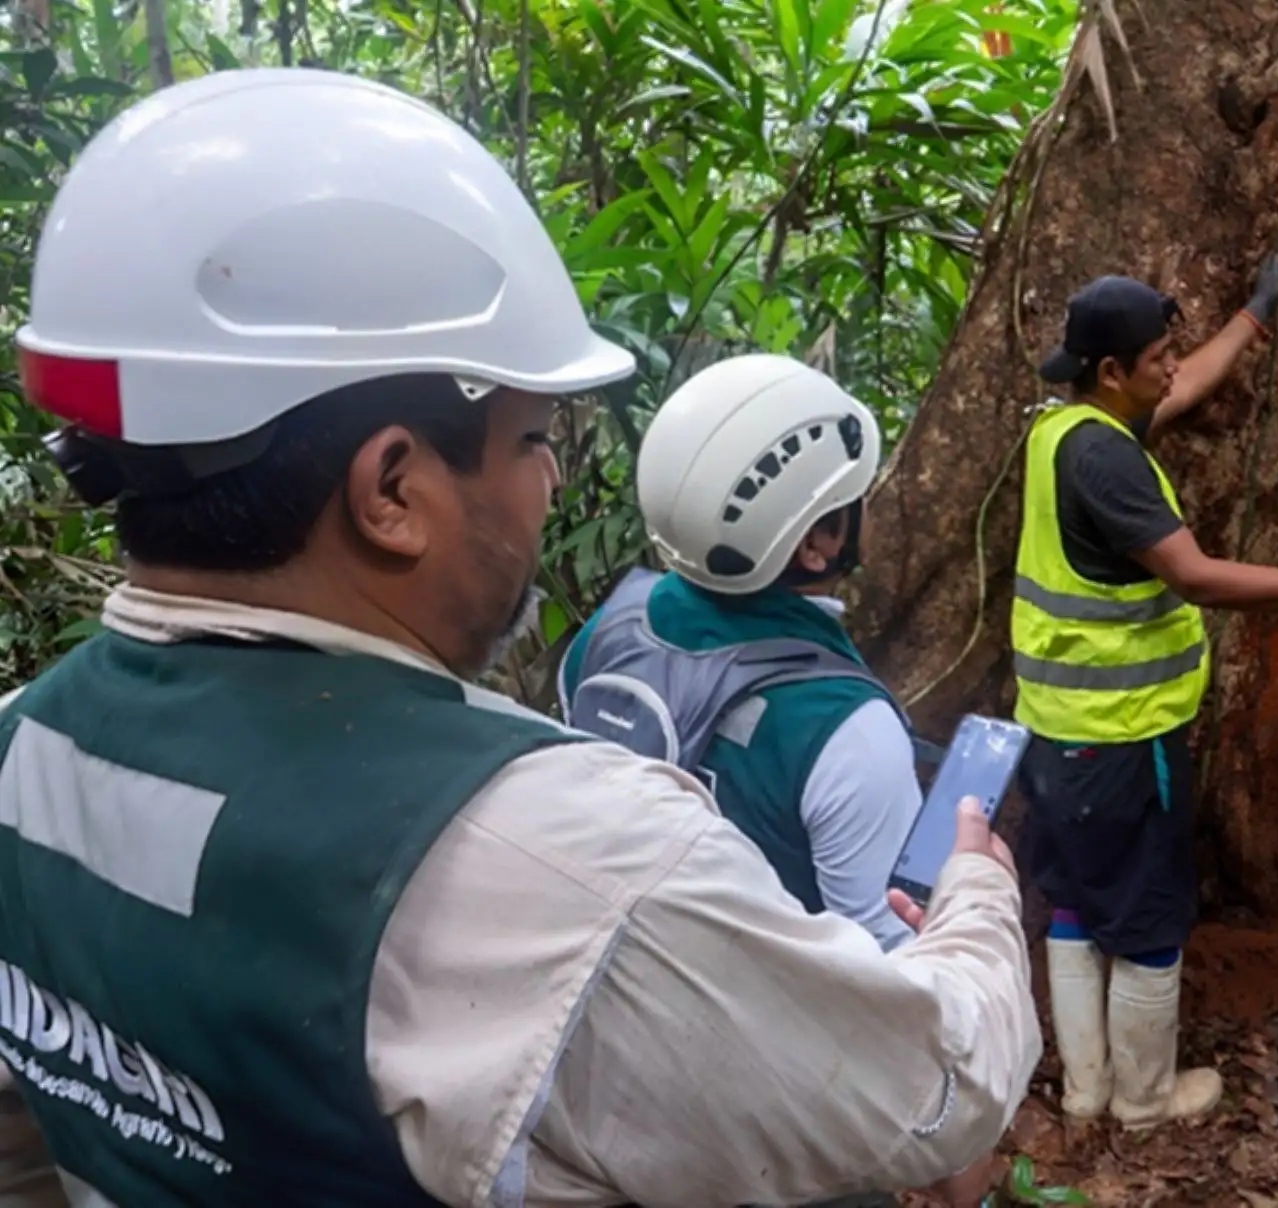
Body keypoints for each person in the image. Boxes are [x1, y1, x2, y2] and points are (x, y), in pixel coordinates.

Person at [0, 67, 1039, 1208]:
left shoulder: (21, 748)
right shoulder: (566, 865)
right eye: (535, 437)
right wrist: (976, 897)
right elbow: (935, 1087)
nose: (551, 482)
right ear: (392, 487)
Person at [1014, 268, 1278, 1133]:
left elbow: (1188, 385)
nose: (1172, 369)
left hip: (1055, 730)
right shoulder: (1107, 462)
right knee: (1152, 914)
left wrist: (1253, 316)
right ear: (1114, 370)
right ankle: (1145, 1102)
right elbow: (1195, 576)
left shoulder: (1068, 426)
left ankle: (1087, 1092)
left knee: (1078, 900)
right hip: (1123, 737)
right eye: (1157, 356)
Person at [560, 354, 922, 954]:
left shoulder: (607, 633)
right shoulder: (849, 730)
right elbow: (890, 950)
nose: (874, 502)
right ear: (816, 546)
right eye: (861, 493)